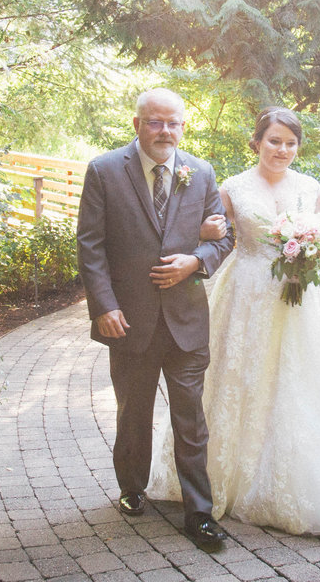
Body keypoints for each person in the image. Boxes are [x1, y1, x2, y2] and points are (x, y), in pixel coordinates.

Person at [146, 106, 320, 536]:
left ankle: (293, 480)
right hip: (245, 295)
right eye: (274, 141)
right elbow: (212, 235)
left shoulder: (311, 188)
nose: (282, 150)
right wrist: (205, 236)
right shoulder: (232, 187)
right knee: (240, 380)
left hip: (302, 302)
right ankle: (220, 478)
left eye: (290, 143)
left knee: (296, 383)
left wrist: (317, 249)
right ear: (257, 142)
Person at [76, 88, 235, 551]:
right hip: (130, 320)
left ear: (183, 126)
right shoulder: (105, 170)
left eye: (173, 123)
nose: (165, 131)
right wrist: (104, 306)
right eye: (155, 122)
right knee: (133, 414)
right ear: (137, 124)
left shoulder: (200, 172)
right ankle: (131, 487)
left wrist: (196, 260)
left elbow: (222, 239)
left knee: (190, 418)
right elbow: (91, 246)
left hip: (186, 320)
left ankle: (199, 513)